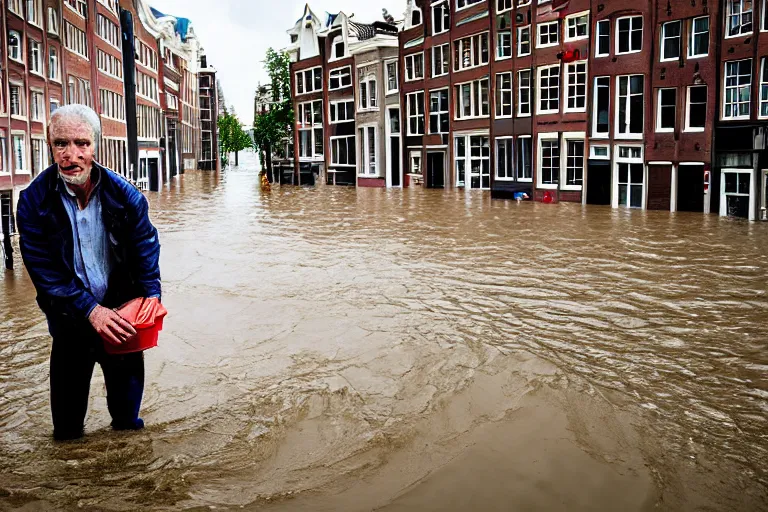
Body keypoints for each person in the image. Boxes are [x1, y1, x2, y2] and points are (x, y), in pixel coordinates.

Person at [16, 104, 161, 441]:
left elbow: (145, 246)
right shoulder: (33, 202)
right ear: (49, 146)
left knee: (128, 425)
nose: (71, 155)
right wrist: (90, 311)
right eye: (61, 144)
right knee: (66, 432)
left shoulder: (126, 197)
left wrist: (151, 295)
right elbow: (43, 271)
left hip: (122, 321)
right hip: (70, 324)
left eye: (82, 143)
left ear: (96, 145)